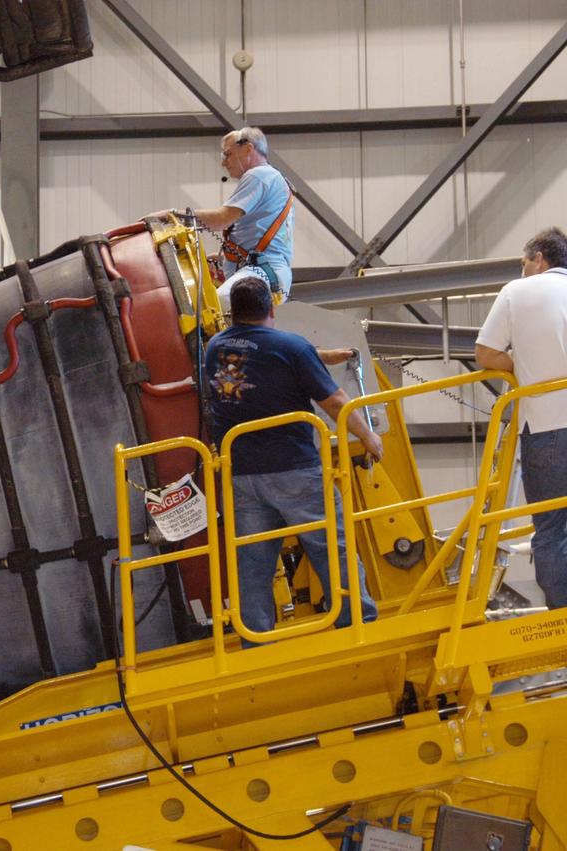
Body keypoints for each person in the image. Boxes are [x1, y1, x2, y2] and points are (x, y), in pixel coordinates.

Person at [206, 276, 383, 642]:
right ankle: (357, 621)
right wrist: (369, 436)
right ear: (272, 308)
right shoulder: (291, 347)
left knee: (252, 560)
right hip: (294, 471)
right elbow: (334, 403)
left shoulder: (215, 348)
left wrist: (324, 356)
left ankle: (253, 636)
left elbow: (264, 357)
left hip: (240, 475)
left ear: (233, 311)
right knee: (330, 547)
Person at [475, 227, 567, 609]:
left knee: (549, 528)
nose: (523, 269)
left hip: (546, 425)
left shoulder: (518, 292)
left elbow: (487, 354)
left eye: (524, 262)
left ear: (539, 259)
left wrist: (522, 369)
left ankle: (563, 614)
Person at [160, 127, 294, 310]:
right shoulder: (273, 179)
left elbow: (223, 219)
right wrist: (224, 258)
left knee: (212, 308)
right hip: (269, 273)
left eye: (228, 154)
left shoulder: (259, 175)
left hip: (260, 273)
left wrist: (172, 214)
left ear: (247, 149)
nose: (224, 162)